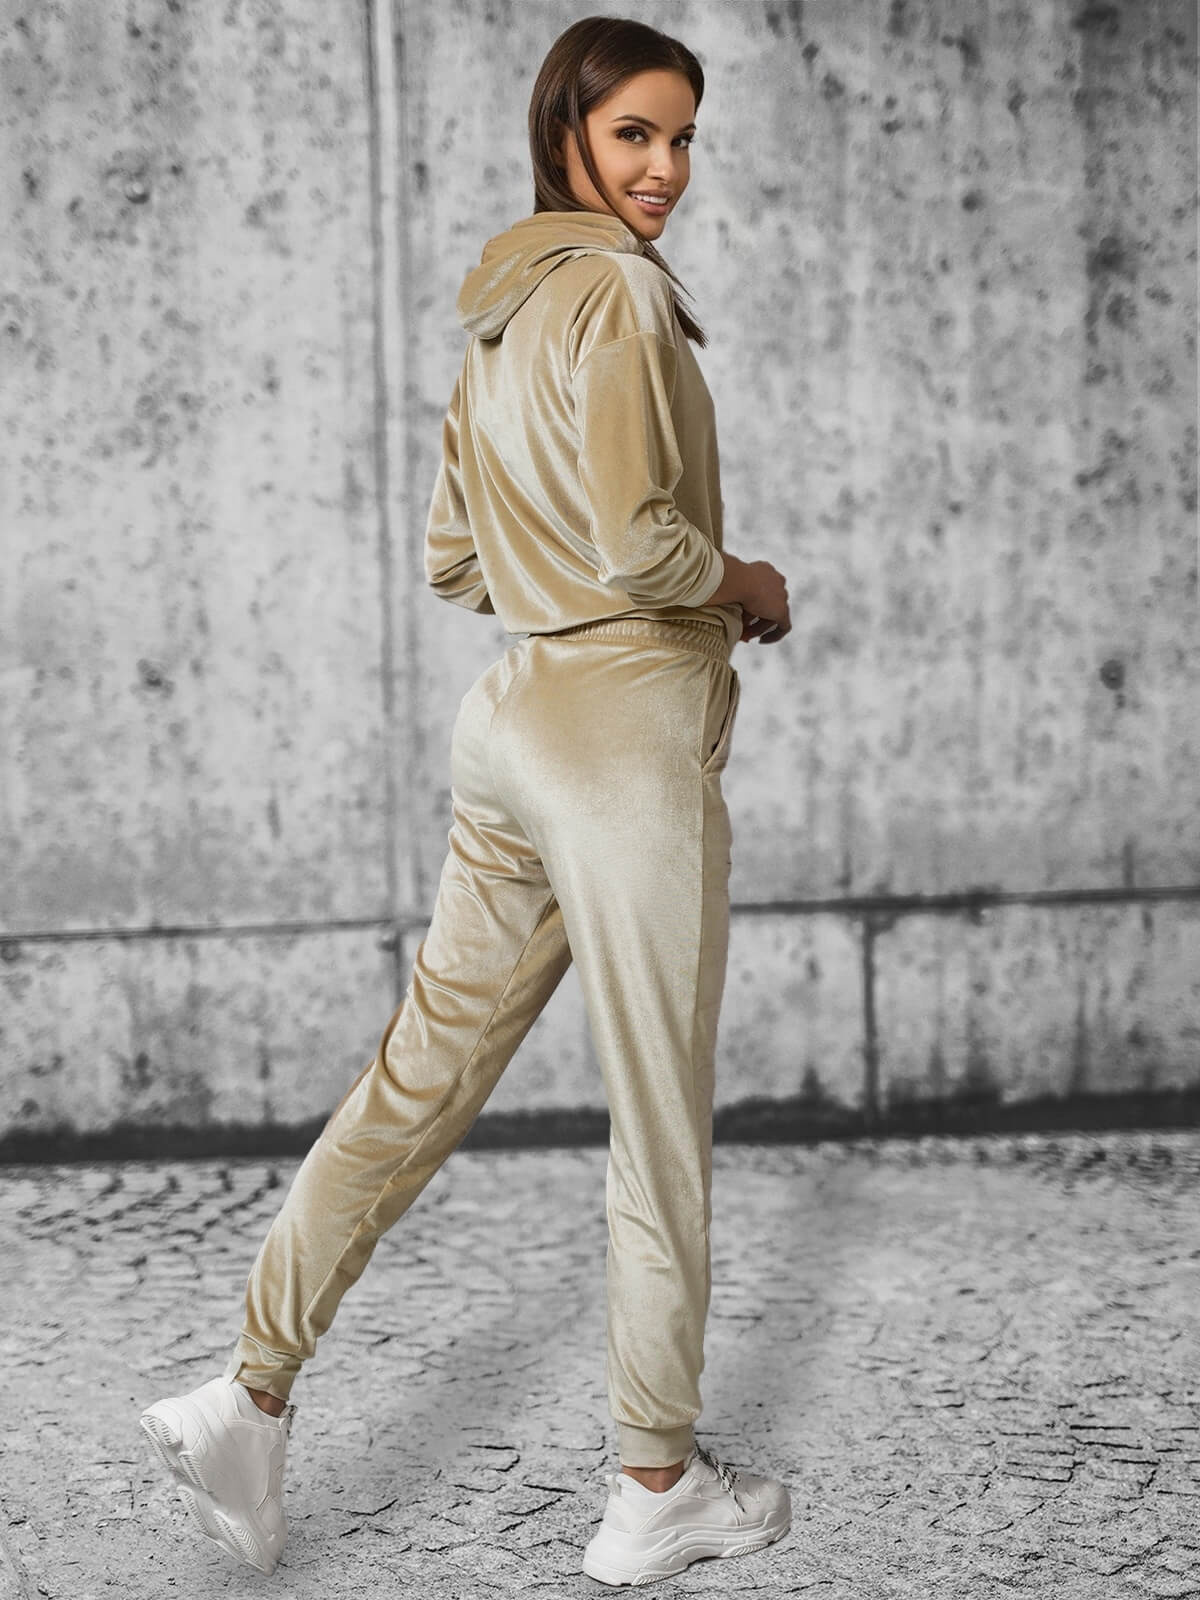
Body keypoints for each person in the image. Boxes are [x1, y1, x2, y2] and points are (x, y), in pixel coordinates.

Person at [139, 15, 793, 1588]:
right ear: (567, 131)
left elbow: (452, 559)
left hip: (511, 718)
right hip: (621, 735)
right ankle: (654, 1487)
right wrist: (748, 582)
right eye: (635, 133)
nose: (665, 168)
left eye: (683, 138)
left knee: (417, 1077)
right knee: (658, 1115)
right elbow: (643, 546)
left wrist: (553, 594)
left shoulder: (502, 307)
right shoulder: (619, 296)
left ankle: (248, 1392)